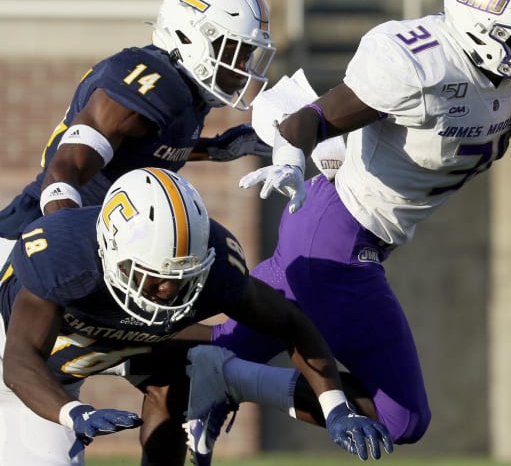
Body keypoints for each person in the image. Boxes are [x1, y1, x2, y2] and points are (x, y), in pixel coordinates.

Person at [191, 0, 511, 459]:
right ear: (484, 34)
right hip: (338, 236)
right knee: (401, 416)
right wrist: (289, 155)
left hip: (343, 232)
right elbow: (314, 119)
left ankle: (101, 353)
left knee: (200, 354)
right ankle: (235, 383)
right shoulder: (419, 65)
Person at [0, 167, 392, 466]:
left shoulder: (216, 267)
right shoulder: (61, 263)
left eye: (183, 277)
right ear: (112, 255)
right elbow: (18, 363)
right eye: (154, 279)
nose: (169, 292)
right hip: (31, 372)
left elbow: (290, 322)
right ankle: (227, 374)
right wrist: (73, 412)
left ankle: (216, 375)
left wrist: (336, 404)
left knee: (175, 378)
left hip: (108, 346)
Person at [0, 0, 276, 267]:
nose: (242, 67)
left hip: (98, 234)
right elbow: (63, 169)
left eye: (248, 55)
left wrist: (214, 149)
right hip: (34, 239)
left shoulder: (185, 92)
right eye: (233, 50)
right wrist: (71, 248)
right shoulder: (150, 81)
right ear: (191, 35)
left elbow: (144, 144)